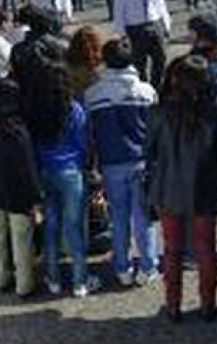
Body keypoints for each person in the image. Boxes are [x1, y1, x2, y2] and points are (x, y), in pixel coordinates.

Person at [145, 56, 217, 323]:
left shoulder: (158, 112)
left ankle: (173, 306)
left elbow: (148, 150)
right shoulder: (215, 112)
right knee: (206, 248)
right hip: (205, 188)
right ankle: (208, 305)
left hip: (168, 187)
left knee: (172, 249)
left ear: (174, 79)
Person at [20, 51, 98, 298]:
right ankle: (80, 280)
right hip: (71, 171)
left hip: (44, 170)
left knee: (51, 226)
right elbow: (83, 142)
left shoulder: (33, 111)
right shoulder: (73, 109)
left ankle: (53, 278)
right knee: (74, 227)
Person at [84, 38, 159, 287]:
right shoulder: (146, 92)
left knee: (118, 217)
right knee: (143, 217)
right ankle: (148, 266)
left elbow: (91, 133)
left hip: (110, 162)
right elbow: (154, 130)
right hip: (141, 162)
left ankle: (122, 267)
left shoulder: (93, 94)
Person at [0, 79, 43, 298]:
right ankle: (24, 285)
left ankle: (1, 278)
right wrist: (36, 197)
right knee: (21, 238)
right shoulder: (18, 129)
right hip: (17, 192)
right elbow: (28, 167)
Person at [113, 0, 171, 89]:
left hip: (154, 25)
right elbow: (119, 8)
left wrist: (166, 25)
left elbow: (161, 4)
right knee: (139, 62)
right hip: (135, 28)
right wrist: (121, 33)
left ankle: (156, 86)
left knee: (160, 58)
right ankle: (144, 88)